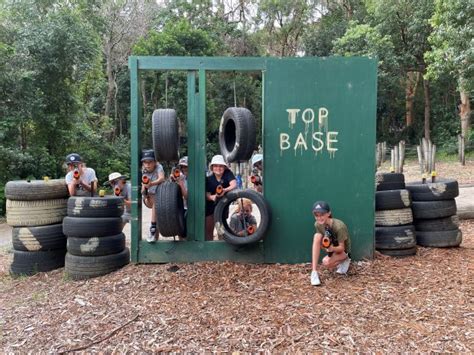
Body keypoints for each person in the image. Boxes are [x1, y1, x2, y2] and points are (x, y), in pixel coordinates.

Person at [310, 201, 351, 286]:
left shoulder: (339, 226)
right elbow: (321, 240)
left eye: (322, 214)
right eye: (316, 215)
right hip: (330, 248)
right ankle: (314, 273)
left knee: (326, 262)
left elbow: (342, 248)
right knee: (316, 236)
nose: (319, 218)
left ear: (328, 213)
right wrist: (325, 246)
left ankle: (344, 260)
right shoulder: (317, 224)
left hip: (343, 251)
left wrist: (331, 248)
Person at [205, 155, 237, 241]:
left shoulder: (228, 174)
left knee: (221, 231)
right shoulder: (208, 179)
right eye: (215, 166)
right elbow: (207, 195)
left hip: (222, 208)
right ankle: (209, 251)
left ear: (224, 167)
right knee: (208, 230)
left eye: (220, 166)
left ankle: (222, 249)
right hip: (210, 208)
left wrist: (224, 190)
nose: (218, 168)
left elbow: (234, 184)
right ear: (212, 167)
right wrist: (213, 197)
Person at [141, 149, 165, 242]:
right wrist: (145, 190)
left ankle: (154, 235)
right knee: (154, 201)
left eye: (150, 162)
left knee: (158, 217)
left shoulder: (159, 167)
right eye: (145, 162)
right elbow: (143, 190)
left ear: (155, 162)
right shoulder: (143, 170)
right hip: (148, 197)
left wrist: (151, 184)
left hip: (160, 197)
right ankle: (152, 227)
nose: (147, 165)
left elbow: (162, 178)